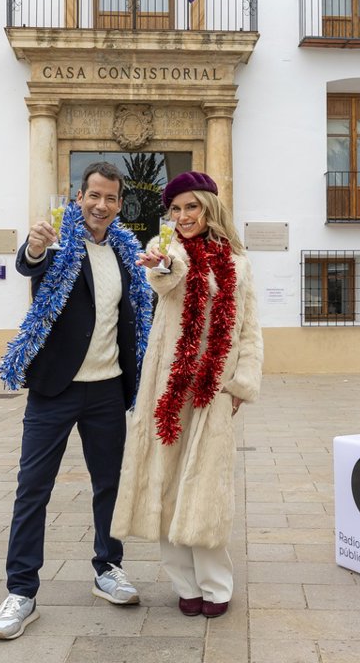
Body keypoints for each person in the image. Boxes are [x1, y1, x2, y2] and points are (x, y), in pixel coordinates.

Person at [0, 162, 153, 640]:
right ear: (78, 197)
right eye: (93, 196)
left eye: (110, 198)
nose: (101, 205)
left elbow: (139, 310)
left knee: (110, 486)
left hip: (108, 389)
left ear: (119, 205)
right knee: (33, 489)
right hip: (55, 390)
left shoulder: (127, 253)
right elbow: (30, 262)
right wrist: (34, 246)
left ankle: (109, 568)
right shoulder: (58, 243)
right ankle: (21, 590)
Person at [111, 170, 263, 619]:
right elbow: (163, 277)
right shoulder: (169, 250)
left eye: (190, 207)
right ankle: (184, 583)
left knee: (205, 483)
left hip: (214, 386)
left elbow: (249, 327)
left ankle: (216, 584)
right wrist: (161, 264)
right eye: (175, 209)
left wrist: (242, 383)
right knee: (165, 480)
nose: (182, 216)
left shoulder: (238, 263)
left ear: (209, 208)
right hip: (167, 384)